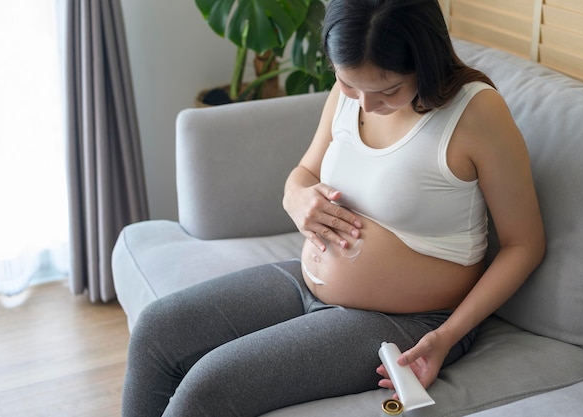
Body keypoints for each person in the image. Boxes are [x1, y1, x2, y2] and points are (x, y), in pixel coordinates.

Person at [121, 0, 546, 416]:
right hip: (306, 281)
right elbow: (304, 171)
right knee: (157, 331)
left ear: (427, 60)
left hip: (412, 321)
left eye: (387, 90)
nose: (363, 104)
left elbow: (523, 244)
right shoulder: (350, 92)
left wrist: (448, 335)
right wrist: (297, 198)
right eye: (348, 84)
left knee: (208, 388)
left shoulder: (476, 113)